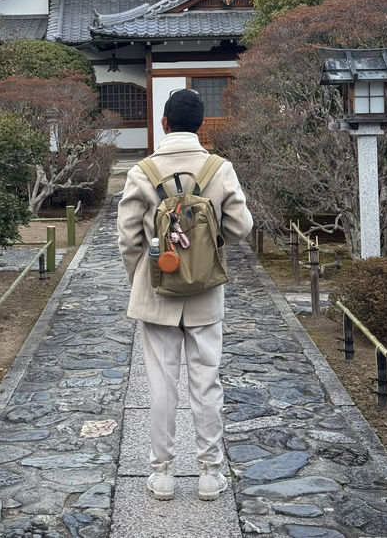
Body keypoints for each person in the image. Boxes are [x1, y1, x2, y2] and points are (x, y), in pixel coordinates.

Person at [117, 89, 253, 501]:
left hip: (157, 292)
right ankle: (211, 474)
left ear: (163, 123)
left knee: (161, 386)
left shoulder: (142, 170)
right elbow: (241, 226)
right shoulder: (219, 168)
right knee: (206, 383)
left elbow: (127, 239)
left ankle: (161, 475)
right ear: (201, 125)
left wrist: (140, 276)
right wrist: (209, 246)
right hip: (205, 293)